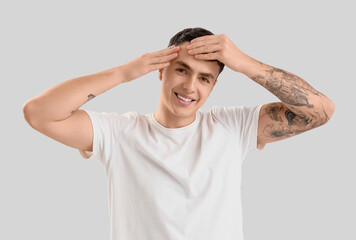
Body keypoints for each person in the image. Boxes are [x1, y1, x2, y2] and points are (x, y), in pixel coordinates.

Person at [23, 27, 335, 240]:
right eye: (182, 69)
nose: (189, 87)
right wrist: (122, 73)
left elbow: (321, 110)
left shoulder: (233, 127)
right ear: (161, 70)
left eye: (204, 78)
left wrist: (242, 63)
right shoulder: (119, 133)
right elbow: (38, 113)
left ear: (213, 86)